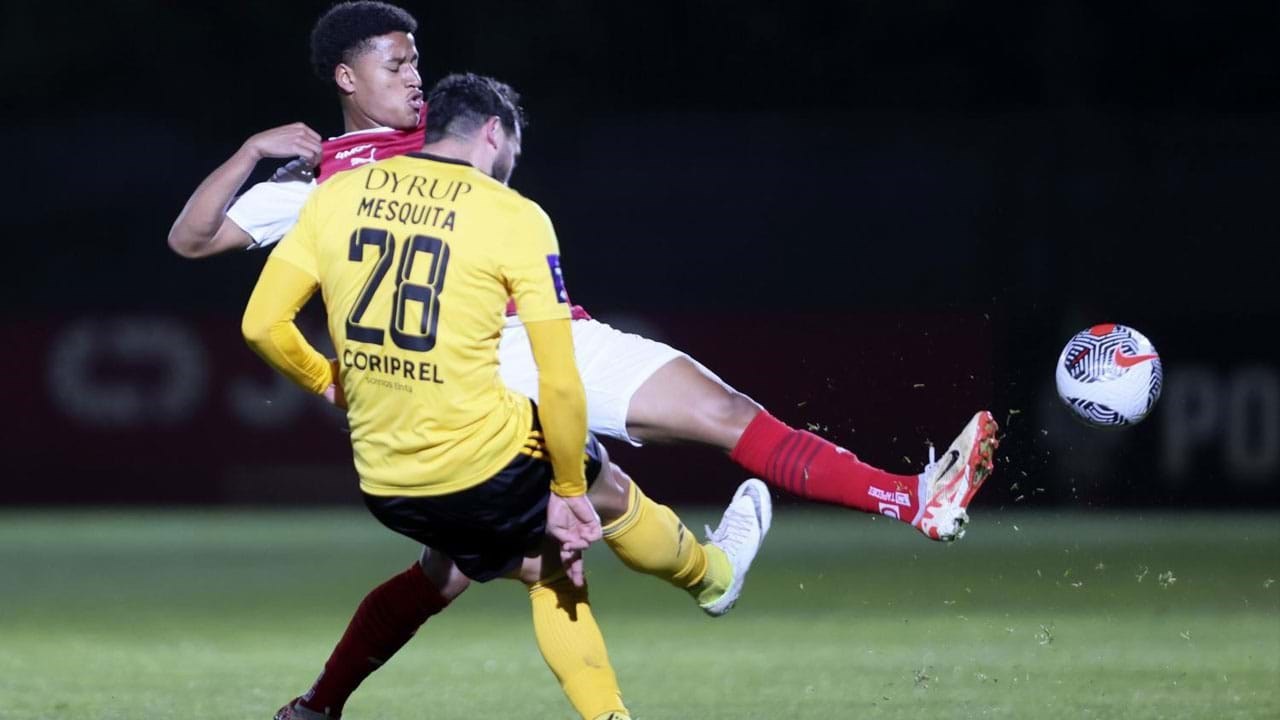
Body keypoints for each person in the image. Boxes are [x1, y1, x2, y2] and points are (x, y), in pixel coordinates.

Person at [168, 3, 997, 717]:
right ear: (346, 80)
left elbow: (253, 298)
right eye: (397, 64)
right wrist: (250, 151)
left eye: (418, 62)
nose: (416, 78)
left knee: (487, 550)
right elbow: (192, 238)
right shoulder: (322, 183)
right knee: (541, 542)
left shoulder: (413, 148)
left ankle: (890, 506)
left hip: (496, 358)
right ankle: (752, 559)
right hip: (484, 361)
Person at [241, 73, 770, 720]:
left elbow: (261, 325)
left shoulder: (340, 193)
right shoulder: (508, 214)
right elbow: (559, 381)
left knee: (444, 572)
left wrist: (328, 380)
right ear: (494, 132)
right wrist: (570, 490)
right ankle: (710, 576)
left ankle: (316, 709)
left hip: (384, 475)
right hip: (479, 455)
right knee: (571, 541)